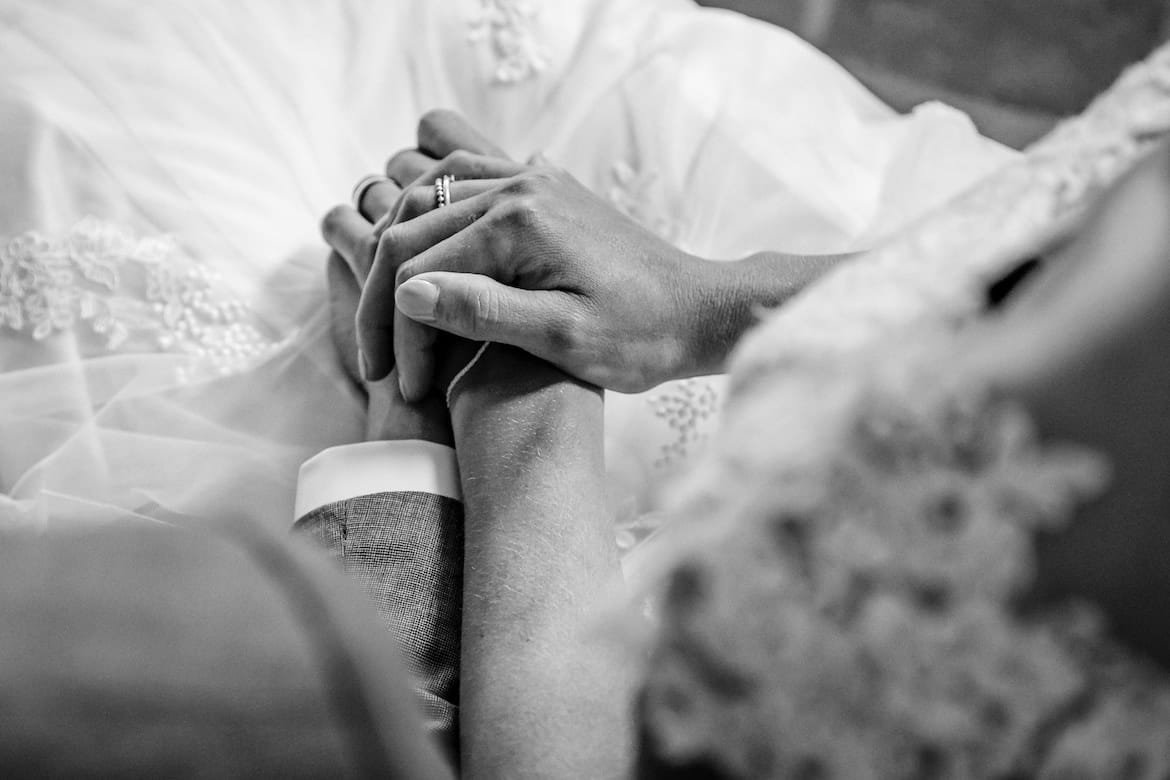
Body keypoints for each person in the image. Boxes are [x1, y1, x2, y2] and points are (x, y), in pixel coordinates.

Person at [0, 0, 1014, 541]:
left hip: (507, 537)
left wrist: (490, 399)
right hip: (826, 279)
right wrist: (708, 297)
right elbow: (1039, 278)